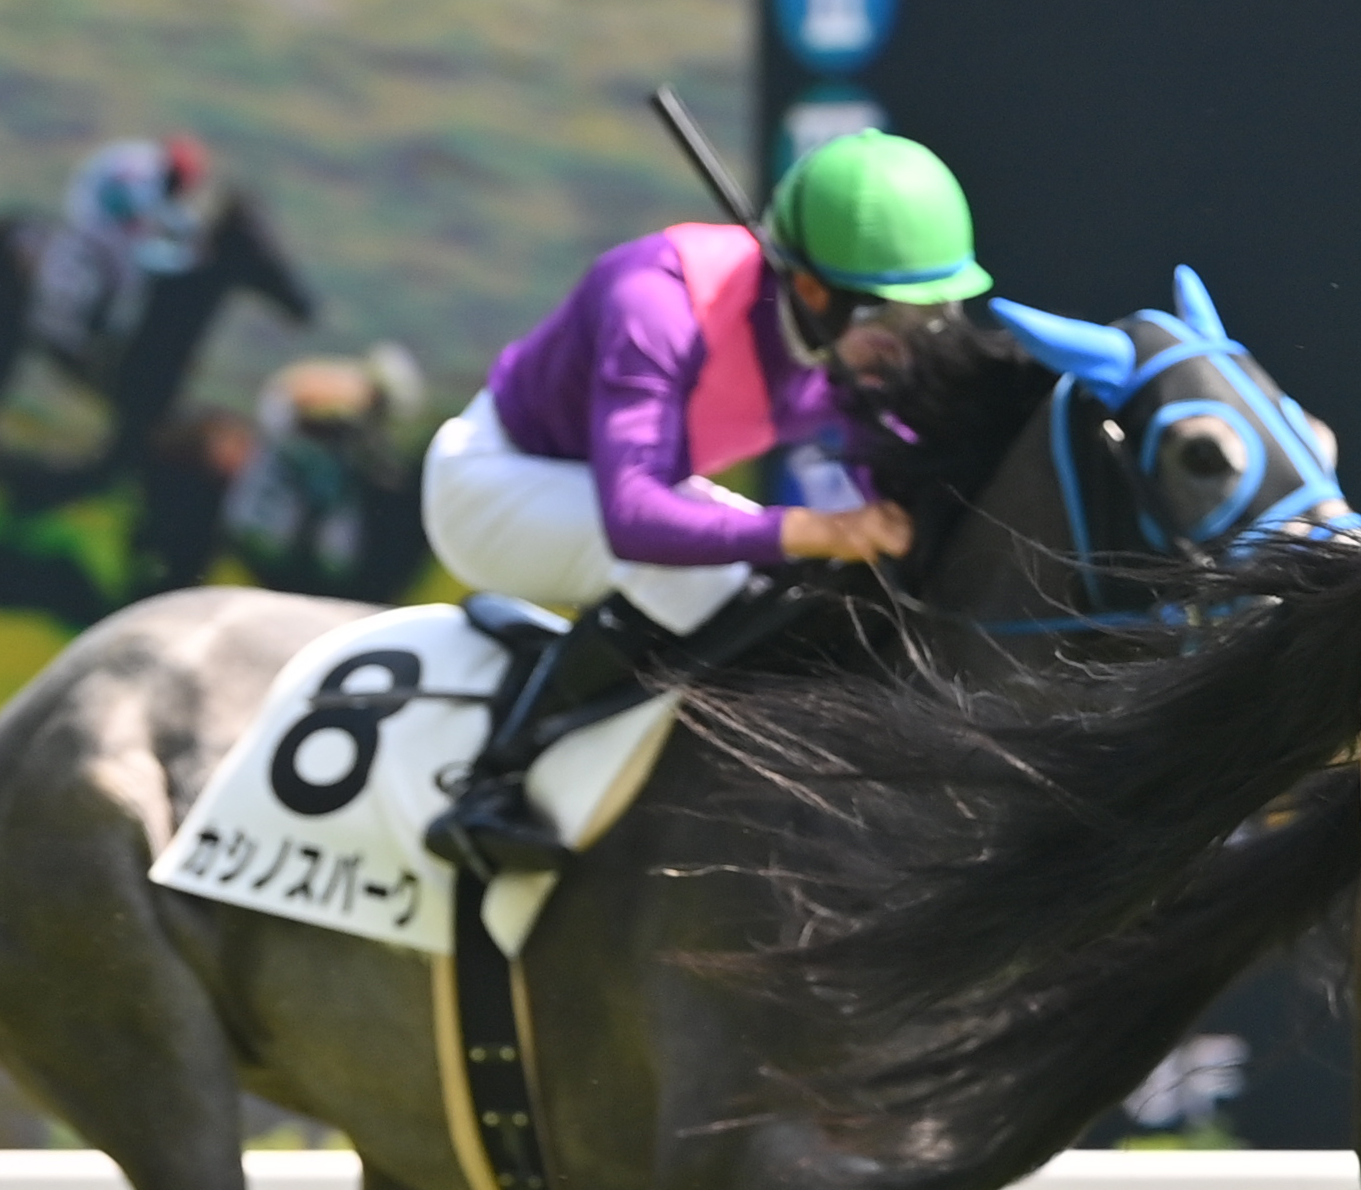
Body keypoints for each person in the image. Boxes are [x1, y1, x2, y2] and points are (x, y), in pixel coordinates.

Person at [414, 131, 990, 876]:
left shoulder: (840, 332)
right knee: (702, 578)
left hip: (603, 493)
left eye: (934, 317)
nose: (910, 349)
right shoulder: (656, 304)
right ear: (814, 293)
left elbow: (902, 469)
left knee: (772, 596)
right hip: (490, 486)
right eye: (895, 325)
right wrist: (820, 529)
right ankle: (490, 784)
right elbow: (636, 517)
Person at [30, 133, 212, 369]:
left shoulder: (157, 172)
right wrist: (183, 249)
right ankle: (85, 328)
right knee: (127, 270)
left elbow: (169, 211)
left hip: (116, 215)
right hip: (96, 212)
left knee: (142, 256)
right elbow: (146, 207)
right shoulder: (142, 168)